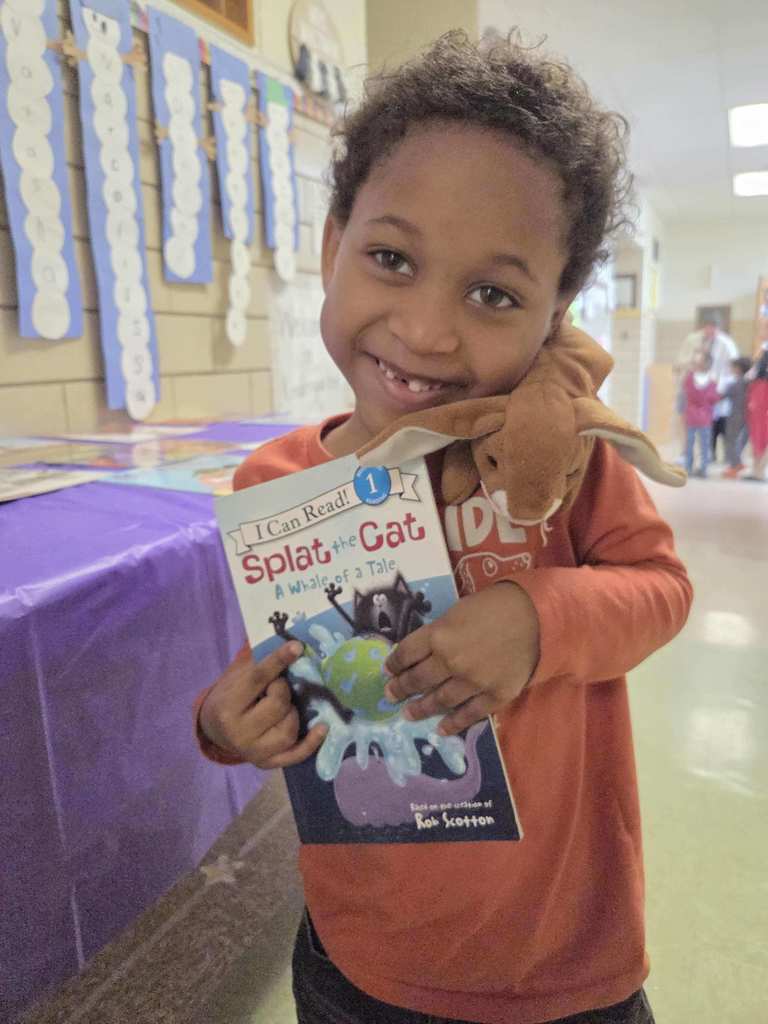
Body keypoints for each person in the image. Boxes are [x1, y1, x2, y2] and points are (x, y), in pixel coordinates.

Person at [195, 33, 692, 1024]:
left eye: (493, 294)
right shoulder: (278, 481)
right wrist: (223, 725)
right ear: (333, 247)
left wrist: (541, 613)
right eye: (390, 258)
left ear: (556, 313)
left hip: (564, 965)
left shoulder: (565, 467)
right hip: (360, 960)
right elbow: (269, 680)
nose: (426, 330)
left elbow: (662, 589)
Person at [682, 351, 719, 477]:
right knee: (701, 443)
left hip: (696, 416)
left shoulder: (691, 379)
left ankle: (691, 467)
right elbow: (714, 398)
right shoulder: (711, 381)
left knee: (694, 443)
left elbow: (688, 393)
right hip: (703, 416)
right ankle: (700, 468)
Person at [721, 356, 752, 478]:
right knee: (739, 440)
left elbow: (722, 395)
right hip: (746, 415)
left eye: (733, 367)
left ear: (738, 369)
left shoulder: (736, 384)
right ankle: (737, 462)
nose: (731, 369)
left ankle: (735, 465)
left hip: (735, 415)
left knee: (730, 440)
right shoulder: (748, 382)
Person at [746, 343, 768, 481]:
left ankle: (760, 469)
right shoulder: (764, 349)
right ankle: (756, 469)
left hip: (762, 389)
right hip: (759, 388)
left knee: (763, 433)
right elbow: (752, 374)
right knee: (756, 432)